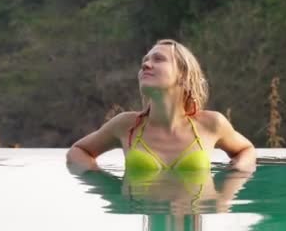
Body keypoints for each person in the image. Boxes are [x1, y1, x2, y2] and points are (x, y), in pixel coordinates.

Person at [66, 39, 256, 173]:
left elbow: (246, 150)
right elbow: (77, 152)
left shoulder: (212, 124)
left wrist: (229, 188)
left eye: (158, 59)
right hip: (146, 213)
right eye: (144, 61)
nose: (146, 65)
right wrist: (107, 188)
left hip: (190, 219)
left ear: (183, 74)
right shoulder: (125, 125)